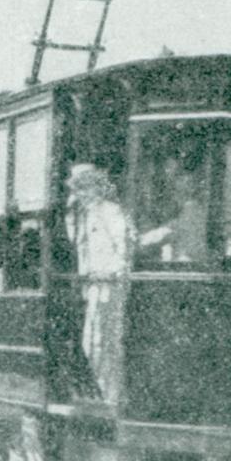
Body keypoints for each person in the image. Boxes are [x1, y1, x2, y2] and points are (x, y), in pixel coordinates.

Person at [65, 163, 133, 405]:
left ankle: (109, 395)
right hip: (92, 287)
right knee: (92, 341)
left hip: (109, 287)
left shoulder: (110, 212)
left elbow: (124, 249)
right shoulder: (82, 215)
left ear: (95, 187)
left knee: (105, 342)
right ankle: (98, 392)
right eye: (77, 189)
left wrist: (113, 273)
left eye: (83, 188)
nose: (79, 193)